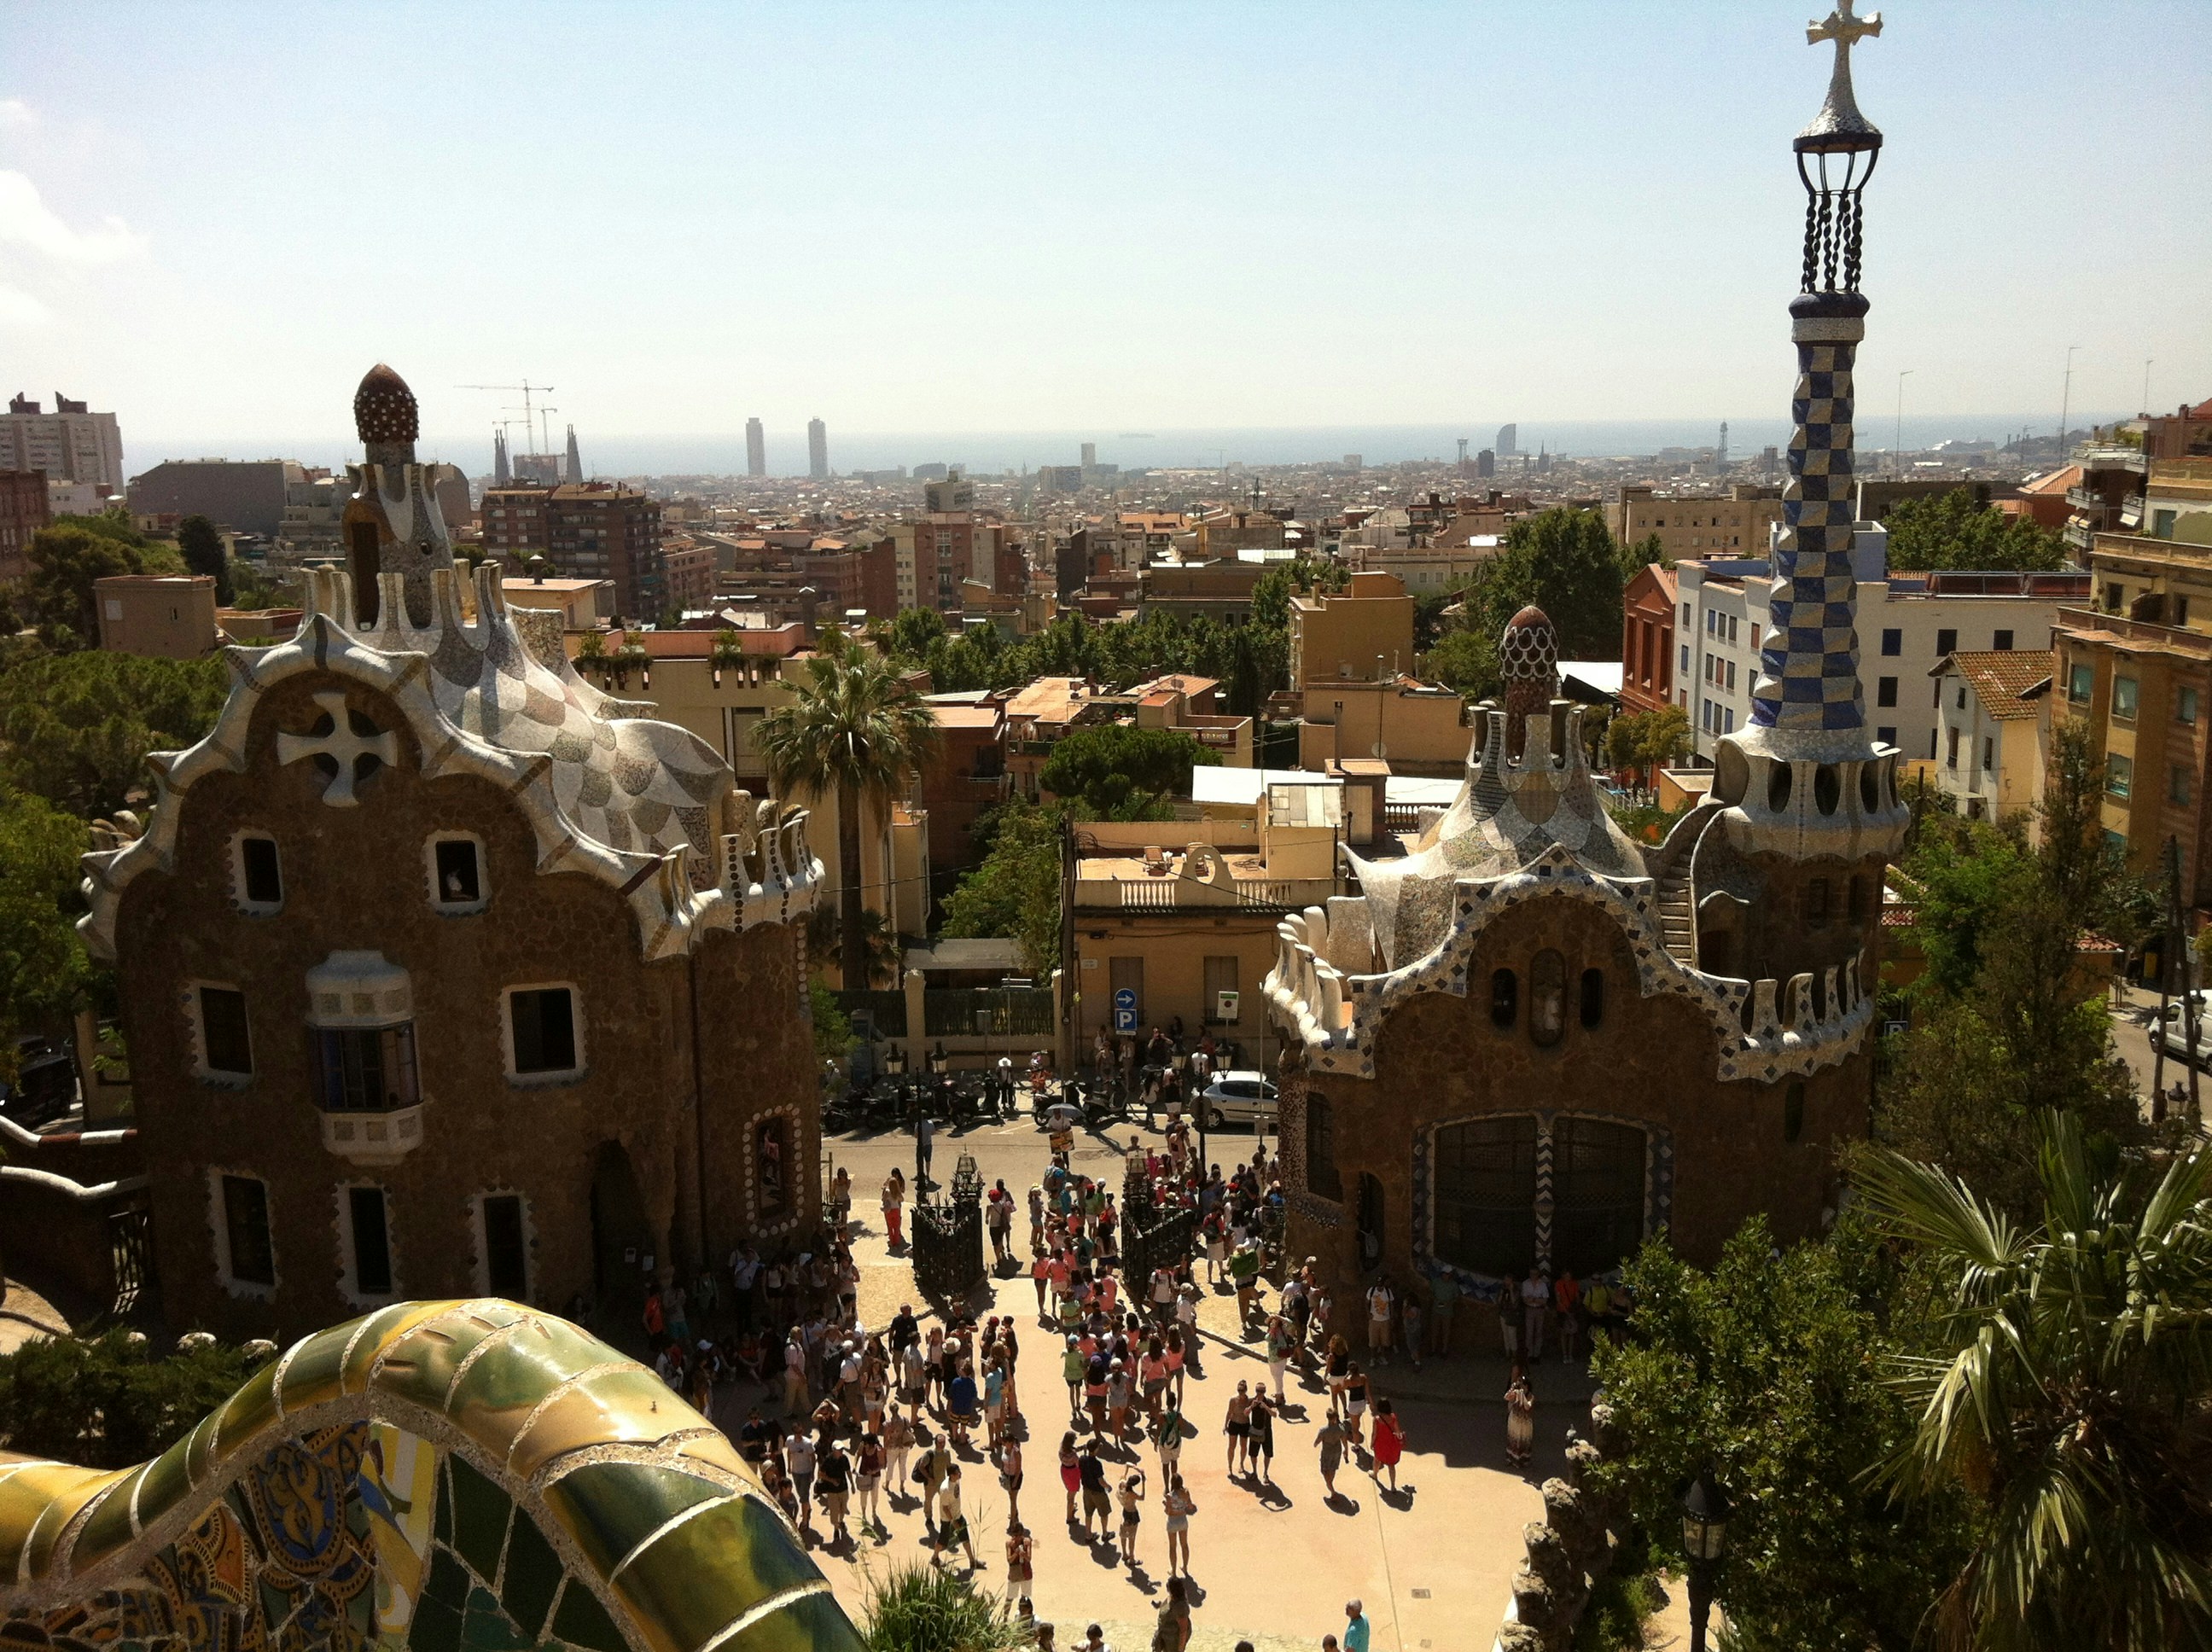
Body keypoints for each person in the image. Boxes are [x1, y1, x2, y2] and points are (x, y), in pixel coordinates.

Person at [936, 1464, 979, 1569]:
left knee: (965, 1538)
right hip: (948, 1519)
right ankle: (934, 1558)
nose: (960, 1474)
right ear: (951, 1475)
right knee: (943, 1541)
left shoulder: (956, 1480)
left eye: (959, 1471)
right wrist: (953, 1522)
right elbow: (945, 1508)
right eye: (957, 1473)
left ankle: (972, 1561)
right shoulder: (945, 1489)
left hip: (958, 1515)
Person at [816, 1435, 851, 1545]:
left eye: (842, 1449)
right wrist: (832, 1481)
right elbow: (821, 1474)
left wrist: (852, 1484)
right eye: (839, 1450)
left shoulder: (844, 1459)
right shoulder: (828, 1460)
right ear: (834, 1450)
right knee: (834, 1512)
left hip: (843, 1488)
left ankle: (841, 1522)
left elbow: (848, 1471)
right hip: (832, 1491)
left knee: (843, 1508)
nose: (841, 1451)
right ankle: (836, 1529)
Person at [783, 1428, 816, 1539]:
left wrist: (812, 1472)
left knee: (804, 1497)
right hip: (796, 1472)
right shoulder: (790, 1441)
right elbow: (788, 1452)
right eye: (796, 1433)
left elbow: (813, 1457)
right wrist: (789, 1466)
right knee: (801, 1494)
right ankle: (808, 1509)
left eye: (800, 1432)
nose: (798, 1435)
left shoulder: (807, 1443)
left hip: (805, 1472)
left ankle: (805, 1521)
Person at [1161, 1474, 1195, 1578]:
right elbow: (1190, 1506)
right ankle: (1185, 1567)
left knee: (1172, 1547)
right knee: (1184, 1545)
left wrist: (1165, 1505)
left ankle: (1174, 1572)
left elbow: (1168, 1511)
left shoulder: (1169, 1496)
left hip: (1172, 1522)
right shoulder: (1186, 1493)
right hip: (1183, 1520)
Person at [1079, 1438, 1112, 1540]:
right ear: (1096, 1449)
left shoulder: (1082, 1459)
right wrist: (1108, 1486)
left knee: (1088, 1514)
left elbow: (1083, 1459)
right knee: (1104, 1514)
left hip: (1087, 1491)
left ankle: (1088, 1535)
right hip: (1098, 1492)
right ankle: (1105, 1534)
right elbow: (1100, 1480)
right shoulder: (1097, 1464)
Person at [1371, 1399, 1405, 1492]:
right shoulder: (1393, 1417)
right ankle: (1393, 1486)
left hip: (1380, 1444)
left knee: (1377, 1460)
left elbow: (1374, 1434)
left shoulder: (1377, 1420)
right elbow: (1397, 1431)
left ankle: (1375, 1474)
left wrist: (1372, 1443)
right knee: (1391, 1465)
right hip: (1391, 1445)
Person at [1505, 1365, 1535, 1470]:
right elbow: (1506, 1397)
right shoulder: (1516, 1393)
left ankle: (1523, 1461)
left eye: (1525, 1386)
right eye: (1522, 1386)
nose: (1523, 1388)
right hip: (1515, 1421)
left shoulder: (1531, 1396)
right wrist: (1512, 1389)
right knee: (1513, 1439)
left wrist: (1522, 1396)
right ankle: (1511, 1459)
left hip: (1525, 1422)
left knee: (1523, 1441)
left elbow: (1528, 1406)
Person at [1117, 1464, 1146, 1568]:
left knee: (1123, 1534)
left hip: (1125, 1512)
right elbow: (1142, 1497)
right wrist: (1143, 1483)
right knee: (1132, 1537)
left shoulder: (1121, 1483)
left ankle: (1125, 1554)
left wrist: (1135, 1468)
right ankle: (1132, 1558)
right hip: (1132, 1513)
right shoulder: (1131, 1493)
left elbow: (1127, 1465)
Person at [1316, 1411, 1348, 1501]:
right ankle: (1330, 1484)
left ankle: (1332, 1490)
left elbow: (1318, 1440)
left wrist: (1315, 1444)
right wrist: (1346, 1450)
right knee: (1333, 1468)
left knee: (1324, 1470)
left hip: (1327, 1452)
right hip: (1337, 1451)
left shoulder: (1323, 1430)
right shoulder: (1341, 1428)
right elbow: (1344, 1440)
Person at [1005, 1521, 1034, 1616]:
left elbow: (1029, 1558)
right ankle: (1005, 1619)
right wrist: (1016, 1553)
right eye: (1015, 1535)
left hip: (1026, 1573)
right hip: (1015, 1574)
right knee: (1010, 1597)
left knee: (1025, 1597)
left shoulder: (1027, 1542)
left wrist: (1024, 1554)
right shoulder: (1009, 1544)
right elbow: (1009, 1560)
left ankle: (1023, 1617)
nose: (1016, 1537)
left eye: (1018, 1535)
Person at [1155, 1576, 1192, 1652]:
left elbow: (1183, 1630)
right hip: (1165, 1634)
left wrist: (1180, 1649)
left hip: (1173, 1639)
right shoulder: (1172, 1597)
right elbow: (1168, 1606)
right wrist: (1161, 1605)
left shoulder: (1180, 1607)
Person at [1521, 1270, 1551, 1363]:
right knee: (1529, 1332)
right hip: (1529, 1310)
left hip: (1540, 1310)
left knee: (1539, 1332)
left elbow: (1545, 1300)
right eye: (1531, 1274)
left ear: (1538, 1274)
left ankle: (1536, 1354)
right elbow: (1525, 1299)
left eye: (1535, 1274)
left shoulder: (1542, 1285)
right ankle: (1529, 1354)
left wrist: (1532, 1299)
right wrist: (1538, 1299)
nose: (1533, 1275)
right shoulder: (1525, 1284)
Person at [1246, 1393, 1275, 1485]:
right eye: (1258, 1391)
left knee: (1267, 1453)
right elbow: (1245, 1413)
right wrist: (1251, 1406)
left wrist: (1266, 1407)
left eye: (1261, 1391)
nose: (1260, 1394)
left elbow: (1275, 1414)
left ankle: (1265, 1473)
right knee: (1253, 1454)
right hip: (1255, 1431)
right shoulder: (1252, 1401)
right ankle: (1254, 1471)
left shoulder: (1269, 1402)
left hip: (1267, 1431)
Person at [1365, 1275, 1394, 1365]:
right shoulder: (1372, 1291)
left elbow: (1391, 1304)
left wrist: (1392, 1317)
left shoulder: (1388, 1292)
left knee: (1384, 1341)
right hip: (1374, 1319)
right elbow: (1366, 1302)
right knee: (1373, 1341)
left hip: (1385, 1319)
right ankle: (1372, 1358)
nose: (1380, 1286)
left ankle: (1382, 1357)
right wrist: (1368, 1314)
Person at [1429, 1269, 1458, 1359]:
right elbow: (1431, 1292)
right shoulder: (1436, 1282)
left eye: (1448, 1274)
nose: (1447, 1276)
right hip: (1436, 1310)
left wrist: (1449, 1303)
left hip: (1447, 1311)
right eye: (1445, 1274)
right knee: (1434, 1330)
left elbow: (1456, 1297)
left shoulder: (1454, 1285)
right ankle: (1433, 1349)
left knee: (1446, 1331)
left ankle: (1444, 1351)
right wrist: (1435, 1300)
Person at [1224, 1382, 1251, 1475]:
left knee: (1243, 1446)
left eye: (1242, 1390)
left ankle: (1241, 1464)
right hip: (1234, 1423)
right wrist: (1225, 1425)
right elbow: (1229, 1412)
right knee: (1232, 1446)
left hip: (1245, 1424)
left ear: (1246, 1390)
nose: (1240, 1392)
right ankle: (1230, 1467)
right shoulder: (1233, 1400)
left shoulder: (1249, 1401)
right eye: (1239, 1390)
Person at [1498, 1274, 1522, 1364]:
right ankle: (1507, 1353)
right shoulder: (1503, 1289)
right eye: (1505, 1280)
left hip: (1512, 1315)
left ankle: (1514, 1354)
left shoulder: (1516, 1290)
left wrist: (1511, 1290)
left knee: (1512, 1335)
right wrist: (1501, 1293)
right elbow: (1499, 1301)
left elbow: (1514, 1303)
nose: (1506, 1282)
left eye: (1508, 1280)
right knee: (1506, 1334)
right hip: (1503, 1313)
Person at [881, 1169, 906, 1250]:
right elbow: (902, 1199)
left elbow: (883, 1199)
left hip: (889, 1211)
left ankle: (892, 1242)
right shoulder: (897, 1192)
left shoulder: (888, 1191)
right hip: (896, 1210)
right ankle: (897, 1242)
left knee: (890, 1227)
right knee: (896, 1227)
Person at [916, 1112, 934, 1184]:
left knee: (919, 1161)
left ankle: (919, 1174)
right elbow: (933, 1133)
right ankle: (928, 1174)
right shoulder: (930, 1123)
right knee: (928, 1161)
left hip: (921, 1145)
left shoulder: (918, 1124)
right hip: (929, 1144)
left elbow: (915, 1135)